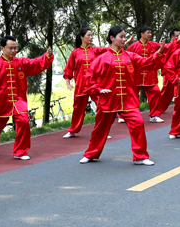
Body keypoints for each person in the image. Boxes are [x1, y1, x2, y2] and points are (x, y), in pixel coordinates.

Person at [80, 26, 165, 165]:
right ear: (112, 38)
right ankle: (91, 154)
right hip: (108, 99)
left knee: (138, 123)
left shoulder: (130, 56)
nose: (124, 39)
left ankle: (140, 156)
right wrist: (98, 89)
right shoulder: (103, 58)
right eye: (121, 37)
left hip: (128, 99)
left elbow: (147, 62)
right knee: (100, 128)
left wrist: (158, 53)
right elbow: (89, 75)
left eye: (125, 37)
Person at [0, 36, 54, 160]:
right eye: (10, 48)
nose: (13, 51)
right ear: (2, 48)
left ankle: (20, 151)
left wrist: (46, 57)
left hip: (18, 100)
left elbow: (35, 63)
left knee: (24, 122)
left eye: (15, 48)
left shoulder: (20, 62)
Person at [63, 28, 106, 138]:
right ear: (82, 37)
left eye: (92, 35)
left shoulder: (95, 50)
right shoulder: (75, 53)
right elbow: (69, 69)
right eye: (89, 35)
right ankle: (73, 130)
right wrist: (68, 83)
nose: (91, 37)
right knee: (78, 108)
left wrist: (120, 42)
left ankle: (103, 130)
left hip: (94, 84)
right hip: (81, 85)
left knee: (102, 105)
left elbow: (108, 50)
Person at [126, 26, 165, 123]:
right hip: (136, 76)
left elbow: (165, 47)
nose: (150, 35)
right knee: (131, 96)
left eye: (151, 33)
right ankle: (128, 114)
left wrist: (177, 41)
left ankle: (154, 115)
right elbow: (127, 59)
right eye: (148, 33)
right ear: (142, 34)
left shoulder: (154, 45)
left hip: (150, 75)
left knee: (156, 92)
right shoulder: (133, 46)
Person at [154, 28, 180, 115]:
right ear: (172, 37)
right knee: (166, 92)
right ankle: (158, 109)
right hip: (169, 72)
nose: (179, 38)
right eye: (177, 36)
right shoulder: (168, 46)